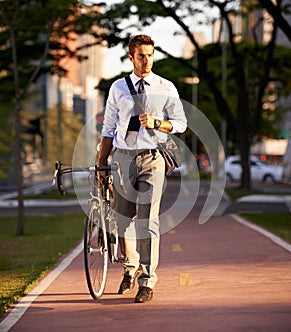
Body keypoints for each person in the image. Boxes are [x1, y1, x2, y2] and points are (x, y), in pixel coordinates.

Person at [97, 34, 187, 303]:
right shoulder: (118, 88)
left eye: (150, 54)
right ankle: (130, 267)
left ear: (153, 55)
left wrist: (158, 123)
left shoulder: (165, 86)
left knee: (149, 221)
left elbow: (180, 123)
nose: (146, 59)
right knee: (123, 219)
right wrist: (102, 163)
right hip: (123, 159)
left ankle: (147, 281)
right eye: (140, 55)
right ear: (131, 58)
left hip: (152, 159)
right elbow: (109, 128)